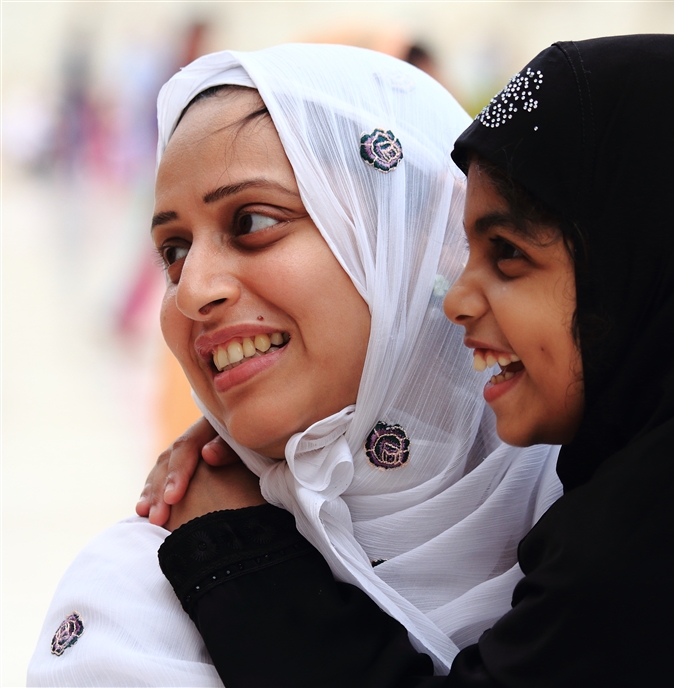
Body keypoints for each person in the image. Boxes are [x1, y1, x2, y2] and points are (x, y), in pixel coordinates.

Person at [149, 35, 674, 686]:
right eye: (173, 250)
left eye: (508, 255)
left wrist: (235, 551)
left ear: (651, 262)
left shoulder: (672, 557)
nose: (455, 298)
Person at [27, 44, 561, 686]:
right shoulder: (141, 596)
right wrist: (226, 558)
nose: (192, 290)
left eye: (250, 221)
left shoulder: (608, 510)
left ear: (407, 243)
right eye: (173, 251)